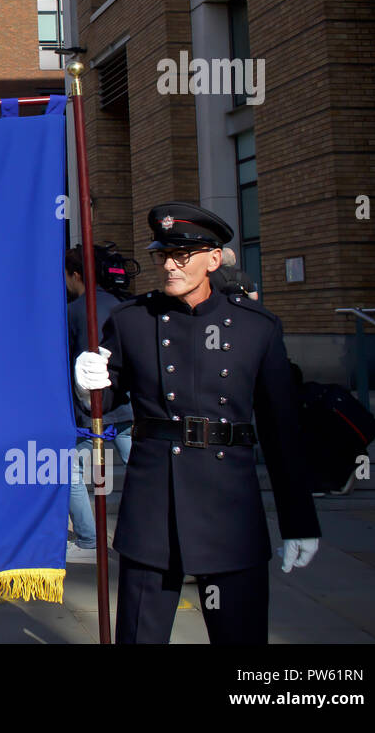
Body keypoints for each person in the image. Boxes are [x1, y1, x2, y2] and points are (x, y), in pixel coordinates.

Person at [73, 202, 320, 644]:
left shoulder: (256, 328)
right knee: (138, 635)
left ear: (213, 259)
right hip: (153, 509)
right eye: (162, 255)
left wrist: (298, 521)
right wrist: (85, 380)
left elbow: (283, 434)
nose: (169, 265)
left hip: (228, 510)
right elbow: (105, 399)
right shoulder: (132, 322)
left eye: (182, 256)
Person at [63, 247, 132, 564]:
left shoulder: (76, 311)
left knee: (69, 472)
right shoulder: (123, 306)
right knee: (145, 470)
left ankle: (89, 538)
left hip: (89, 411)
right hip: (125, 407)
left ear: (76, 275)